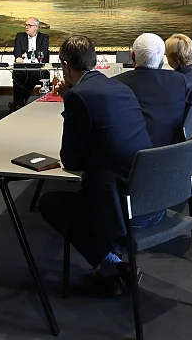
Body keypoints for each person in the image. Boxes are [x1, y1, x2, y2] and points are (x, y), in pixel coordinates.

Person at [37, 35, 155, 296]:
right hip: (150, 194)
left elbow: (70, 160)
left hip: (119, 201)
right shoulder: (121, 88)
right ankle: (111, 267)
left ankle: (112, 264)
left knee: (50, 203)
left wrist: (71, 105)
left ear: (66, 66)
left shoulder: (79, 96)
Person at [114, 33, 192, 147]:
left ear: (133, 55)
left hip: (128, 157)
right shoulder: (177, 80)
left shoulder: (115, 84)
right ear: (162, 59)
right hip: (173, 157)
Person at [10, 17, 50, 112]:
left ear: (36, 27)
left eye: (29, 25)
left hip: (39, 68)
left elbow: (43, 52)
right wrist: (19, 56)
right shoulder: (20, 36)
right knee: (17, 74)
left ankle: (19, 104)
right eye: (26, 25)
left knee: (34, 74)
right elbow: (17, 52)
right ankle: (19, 103)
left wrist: (26, 54)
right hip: (24, 67)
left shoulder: (44, 37)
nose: (26, 27)